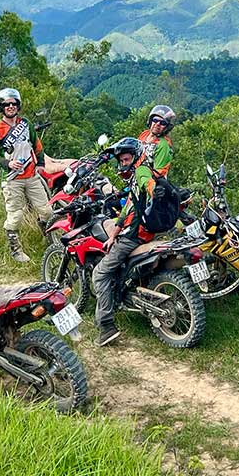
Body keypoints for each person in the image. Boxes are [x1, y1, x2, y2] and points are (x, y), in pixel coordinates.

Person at [92, 136, 156, 347]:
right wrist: (113, 236)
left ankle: (106, 326)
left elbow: (149, 184)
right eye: (121, 160)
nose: (122, 164)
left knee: (100, 274)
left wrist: (154, 190)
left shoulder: (141, 172)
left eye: (126, 159)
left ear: (135, 157)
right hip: (139, 232)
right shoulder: (135, 179)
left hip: (134, 237)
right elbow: (128, 209)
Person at [0, 87, 53, 262]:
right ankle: (16, 250)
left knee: (47, 210)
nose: (11, 107)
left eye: (14, 103)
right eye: (6, 104)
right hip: (12, 179)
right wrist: (7, 163)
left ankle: (50, 241)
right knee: (15, 215)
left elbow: (37, 145)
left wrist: (41, 164)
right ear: (1, 107)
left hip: (32, 176)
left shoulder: (26, 124)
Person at [136, 104, 175, 176]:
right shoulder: (144, 134)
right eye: (155, 120)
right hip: (133, 178)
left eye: (163, 123)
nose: (158, 124)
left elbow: (159, 173)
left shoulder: (163, 145)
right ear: (150, 121)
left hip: (149, 182)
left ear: (167, 127)